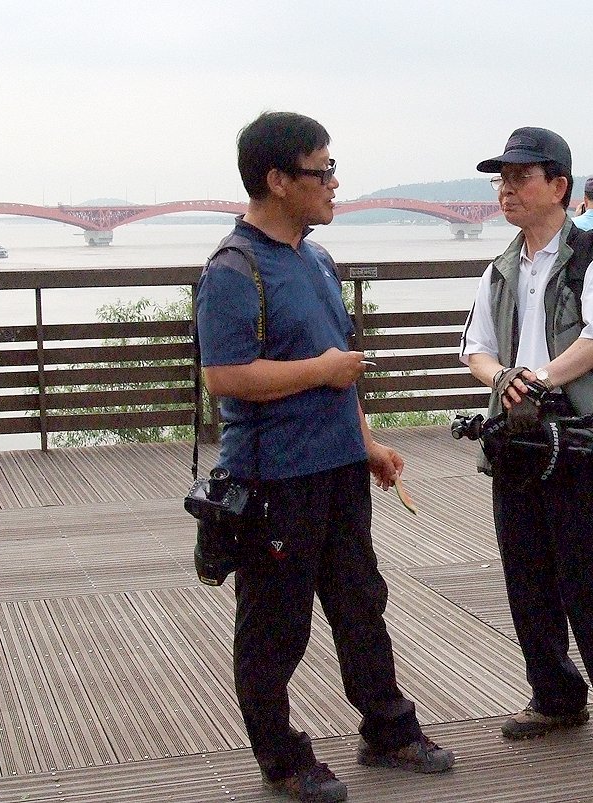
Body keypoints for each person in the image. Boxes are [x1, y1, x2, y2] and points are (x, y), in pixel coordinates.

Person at [195, 111, 454, 803]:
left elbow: (342, 369)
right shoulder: (233, 269)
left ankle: (388, 729)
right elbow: (226, 376)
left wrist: (366, 445)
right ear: (279, 180)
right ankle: (282, 758)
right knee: (275, 626)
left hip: (338, 470)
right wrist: (321, 370)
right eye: (324, 170)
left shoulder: (315, 258)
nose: (335, 183)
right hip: (274, 478)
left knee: (361, 602)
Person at [459, 126, 593, 755]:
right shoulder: (500, 268)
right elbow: (474, 349)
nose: (506, 190)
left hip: (579, 439)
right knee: (526, 574)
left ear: (559, 186)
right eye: (502, 179)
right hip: (515, 438)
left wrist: (538, 380)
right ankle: (554, 696)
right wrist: (504, 380)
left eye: (520, 177)